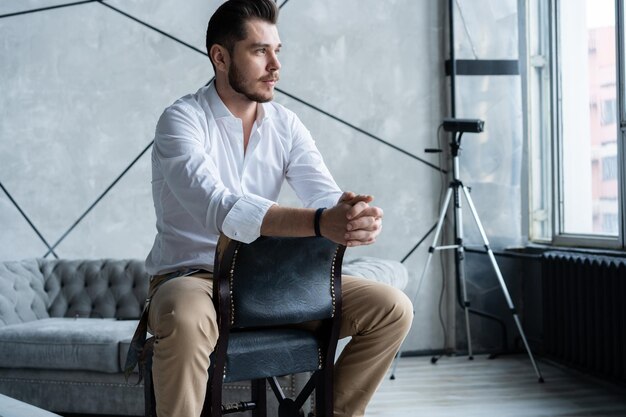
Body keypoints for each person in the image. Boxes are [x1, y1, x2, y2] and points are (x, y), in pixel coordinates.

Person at [142, 1, 413, 416]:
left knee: (393, 309)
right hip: (195, 277)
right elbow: (221, 208)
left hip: (270, 282)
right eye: (259, 51)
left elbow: (324, 196)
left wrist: (353, 217)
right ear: (220, 56)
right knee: (184, 316)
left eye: (278, 51)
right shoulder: (181, 121)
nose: (275, 66)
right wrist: (324, 222)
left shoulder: (286, 124)